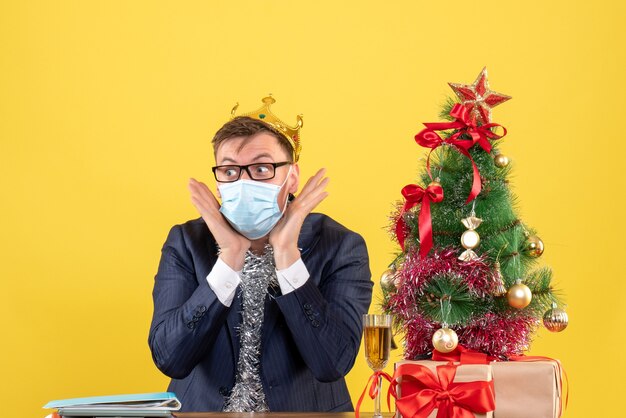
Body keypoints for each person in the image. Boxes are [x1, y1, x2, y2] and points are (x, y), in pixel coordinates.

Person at [148, 96, 372, 412]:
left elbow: (332, 363)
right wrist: (229, 258)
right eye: (229, 171)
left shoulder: (340, 246)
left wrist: (287, 255)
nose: (244, 182)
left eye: (262, 168)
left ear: (291, 176)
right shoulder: (186, 241)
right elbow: (170, 358)